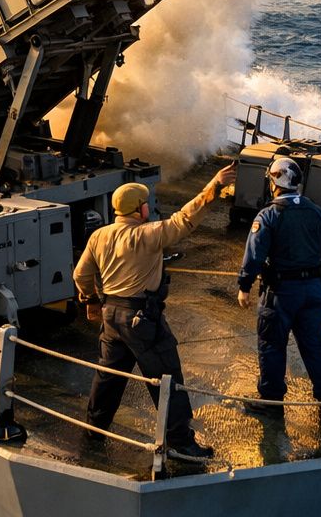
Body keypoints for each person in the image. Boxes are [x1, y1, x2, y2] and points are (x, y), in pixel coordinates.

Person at [73, 163, 236, 459]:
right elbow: (185, 219)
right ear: (139, 209)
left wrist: (91, 301)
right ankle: (181, 443)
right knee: (167, 378)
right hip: (141, 320)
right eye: (145, 203)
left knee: (108, 378)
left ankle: (93, 432)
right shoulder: (148, 234)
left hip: (111, 317)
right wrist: (214, 185)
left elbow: (81, 274)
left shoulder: (99, 236)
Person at [236, 157, 321, 421]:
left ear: (275, 182)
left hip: (281, 294)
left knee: (272, 346)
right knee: (316, 347)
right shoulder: (316, 211)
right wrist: (316, 278)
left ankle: (272, 403)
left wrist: (244, 286)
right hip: (313, 291)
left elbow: (254, 256)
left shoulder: (269, 215)